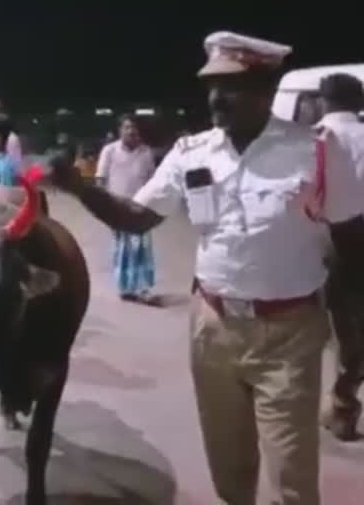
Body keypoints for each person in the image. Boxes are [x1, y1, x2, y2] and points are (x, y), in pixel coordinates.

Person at [50, 32, 364, 505]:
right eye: (211, 84)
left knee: (292, 475)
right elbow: (137, 219)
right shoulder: (191, 153)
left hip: (289, 334)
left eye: (231, 85)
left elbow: (351, 242)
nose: (216, 97)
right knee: (228, 468)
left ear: (264, 90)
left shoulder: (317, 151)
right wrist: (78, 188)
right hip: (212, 328)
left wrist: (345, 320)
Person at [317, 73, 364, 441]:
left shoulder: (313, 137)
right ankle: (343, 403)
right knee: (353, 329)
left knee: (299, 326)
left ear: (322, 101)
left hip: (320, 237)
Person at [95, 115, 159, 305]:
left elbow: (153, 181)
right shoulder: (109, 151)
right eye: (127, 127)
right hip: (117, 209)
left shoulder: (146, 152)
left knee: (143, 249)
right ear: (120, 130)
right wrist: (104, 207)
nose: (131, 131)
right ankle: (125, 288)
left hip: (140, 208)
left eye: (135, 128)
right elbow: (100, 179)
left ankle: (143, 288)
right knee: (122, 250)